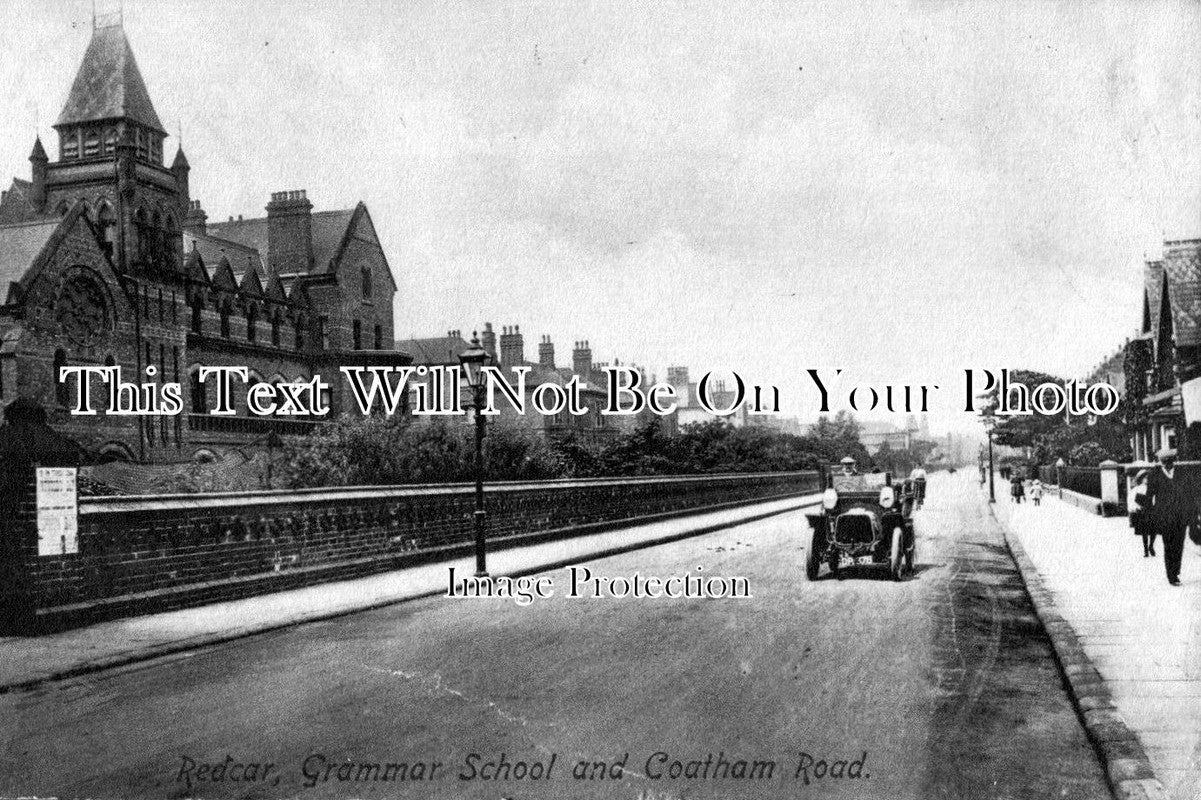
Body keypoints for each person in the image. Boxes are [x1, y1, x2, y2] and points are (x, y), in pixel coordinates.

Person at [1144, 448, 1192, 586]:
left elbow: (1189, 495)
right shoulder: (1155, 475)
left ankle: (1176, 571)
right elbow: (1149, 496)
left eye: (1170, 461)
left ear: (1174, 461)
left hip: (1180, 516)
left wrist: (1189, 513)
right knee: (1168, 545)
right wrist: (1150, 515)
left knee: (1179, 544)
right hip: (1164, 517)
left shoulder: (1182, 474)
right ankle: (1171, 575)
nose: (1167, 464)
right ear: (1161, 462)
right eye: (1165, 461)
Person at [1128, 470, 1154, 558]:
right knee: (1144, 532)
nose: (1147, 479)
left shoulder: (1151, 488)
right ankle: (1146, 550)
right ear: (1141, 479)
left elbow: (1155, 499)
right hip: (1142, 512)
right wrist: (1137, 508)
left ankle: (1151, 546)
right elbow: (1131, 501)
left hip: (1151, 511)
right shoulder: (1136, 489)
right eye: (1145, 478)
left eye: (1148, 478)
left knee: (1153, 530)